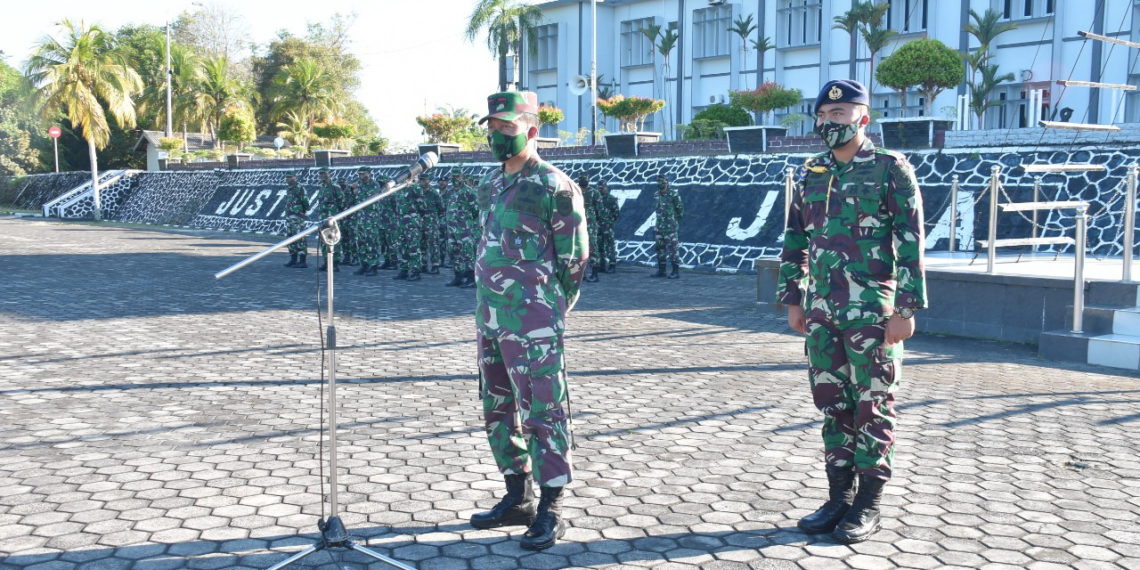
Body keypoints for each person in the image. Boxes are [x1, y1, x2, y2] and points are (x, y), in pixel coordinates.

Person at [777, 79, 927, 544]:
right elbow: (796, 238)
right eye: (824, 114)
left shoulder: (890, 169)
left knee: (873, 405)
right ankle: (838, 497)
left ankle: (868, 503)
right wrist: (794, 298)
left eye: (840, 115)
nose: (830, 122)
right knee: (832, 405)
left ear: (864, 117)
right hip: (822, 310)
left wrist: (907, 307)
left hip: (872, 313)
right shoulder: (812, 170)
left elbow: (910, 240)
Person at [468, 91, 589, 551]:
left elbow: (573, 260)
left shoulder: (554, 185)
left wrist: (550, 308)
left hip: (534, 319)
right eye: (493, 129)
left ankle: (551, 508)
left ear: (532, 131)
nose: (497, 136)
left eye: (507, 128)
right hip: (490, 316)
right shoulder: (489, 184)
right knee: (497, 407)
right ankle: (517, 496)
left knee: (544, 409)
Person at [651, 174, 683, 279]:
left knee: (673, 250)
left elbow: (680, 211)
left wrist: (673, 222)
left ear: (666, 182)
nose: (660, 184)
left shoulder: (673, 194)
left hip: (670, 228)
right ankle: (662, 271)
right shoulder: (656, 195)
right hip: (659, 227)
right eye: (658, 182)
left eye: (662, 182)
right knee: (660, 250)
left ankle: (675, 271)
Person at [315, 168, 342, 272]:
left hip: (332, 219)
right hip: (323, 218)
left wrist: (335, 214)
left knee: (333, 239)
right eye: (320, 174)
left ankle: (335, 263)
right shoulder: (322, 188)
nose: (322, 176)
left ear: (329, 174)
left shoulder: (335, 187)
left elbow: (342, 201)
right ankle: (326, 262)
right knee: (323, 240)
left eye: (324, 174)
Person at [282, 171, 310, 269]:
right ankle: (293, 259)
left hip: (298, 217)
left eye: (290, 177)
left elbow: (305, 201)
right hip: (290, 216)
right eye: (287, 177)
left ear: (295, 178)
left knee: (300, 238)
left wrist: (304, 211)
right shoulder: (289, 189)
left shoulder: (300, 188)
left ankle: (303, 260)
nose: (288, 179)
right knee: (290, 237)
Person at [578, 174, 601, 282]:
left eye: (585, 179)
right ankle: (581, 274)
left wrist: (596, 221)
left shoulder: (594, 193)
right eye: (582, 179)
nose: (584, 181)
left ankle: (595, 273)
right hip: (577, 223)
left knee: (592, 247)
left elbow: (599, 209)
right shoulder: (575, 191)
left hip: (590, 224)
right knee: (579, 249)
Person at [597, 181, 620, 273]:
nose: (601, 189)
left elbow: (616, 213)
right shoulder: (596, 199)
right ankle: (602, 265)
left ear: (606, 187)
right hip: (598, 226)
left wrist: (609, 221)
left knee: (610, 246)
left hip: (607, 227)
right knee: (599, 246)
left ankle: (612, 265)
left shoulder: (611, 199)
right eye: (599, 187)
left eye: (602, 187)